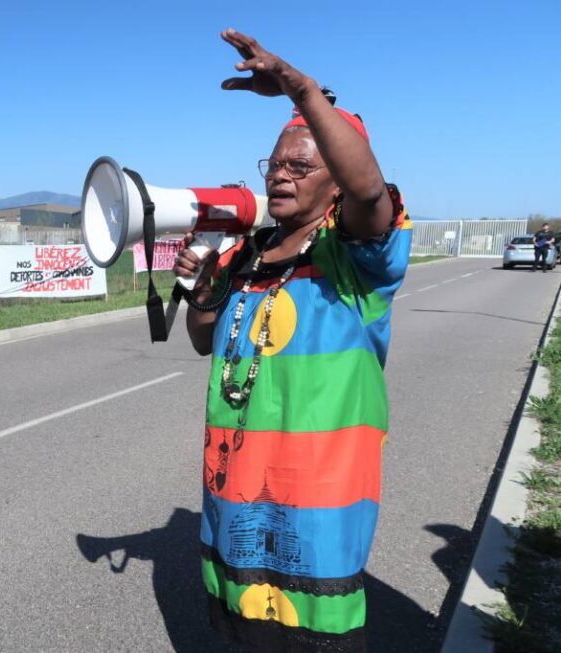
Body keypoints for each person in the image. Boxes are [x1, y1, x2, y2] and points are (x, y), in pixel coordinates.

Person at [172, 30, 411, 652]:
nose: (280, 174)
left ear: (336, 183)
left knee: (314, 630)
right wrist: (203, 288)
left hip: (318, 495)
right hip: (236, 484)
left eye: (300, 166)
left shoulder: (356, 258)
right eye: (275, 164)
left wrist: (301, 90)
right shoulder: (248, 252)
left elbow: (369, 193)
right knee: (249, 629)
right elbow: (204, 340)